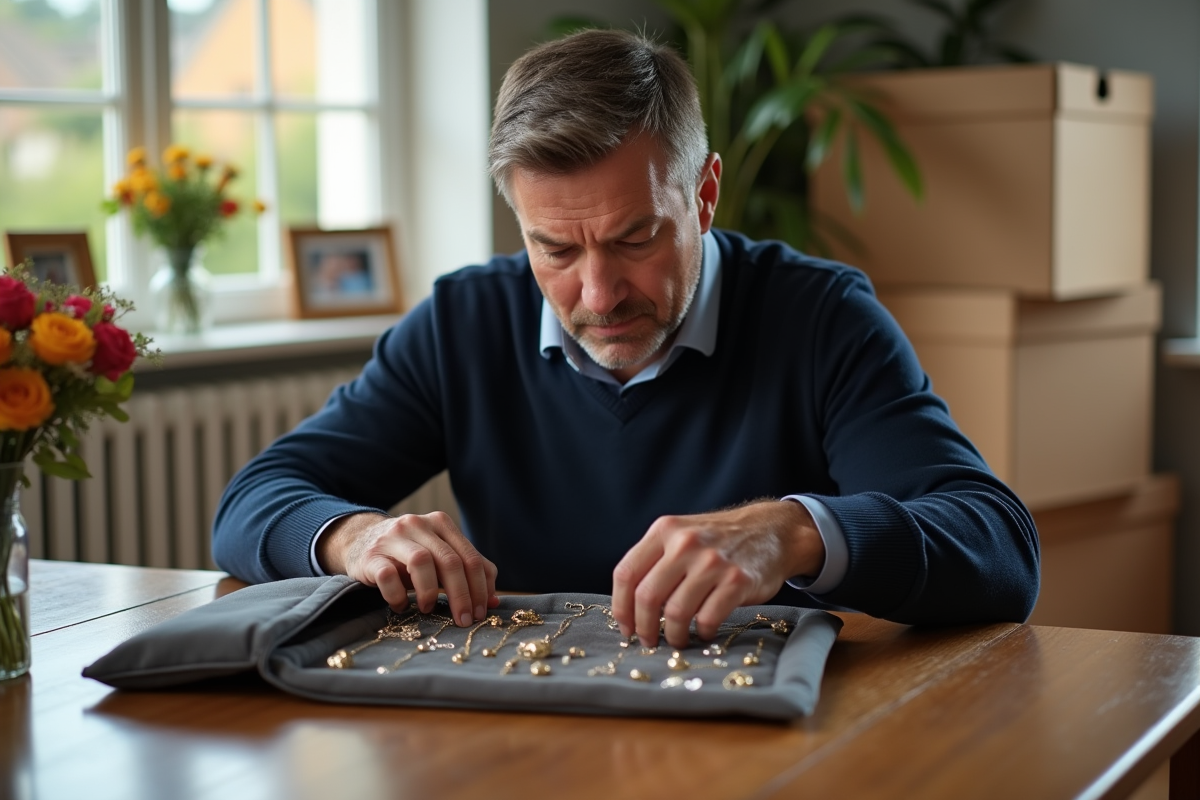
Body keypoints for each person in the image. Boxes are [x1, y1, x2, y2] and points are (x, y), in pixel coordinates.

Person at [213, 29, 1039, 649]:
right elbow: (256, 498)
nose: (599, 294)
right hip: (518, 729)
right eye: (555, 250)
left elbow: (999, 548)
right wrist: (354, 536)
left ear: (704, 195)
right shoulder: (463, 321)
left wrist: (792, 532)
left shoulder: (823, 317)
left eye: (636, 237)